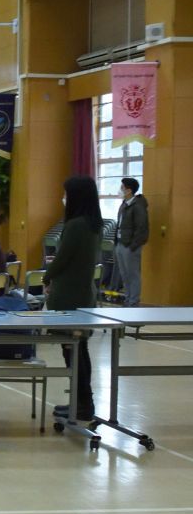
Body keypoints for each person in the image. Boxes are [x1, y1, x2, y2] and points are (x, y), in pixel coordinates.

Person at [47, 176, 104, 423]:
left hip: (68, 296)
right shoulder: (94, 225)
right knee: (80, 350)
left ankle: (81, 405)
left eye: (66, 194)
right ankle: (83, 402)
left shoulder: (75, 225)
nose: (64, 198)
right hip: (84, 294)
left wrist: (46, 275)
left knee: (72, 352)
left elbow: (62, 259)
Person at [114, 176, 149, 307]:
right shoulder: (124, 204)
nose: (120, 190)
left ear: (129, 190)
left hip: (130, 246)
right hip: (120, 243)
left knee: (133, 274)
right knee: (124, 274)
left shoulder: (138, 205)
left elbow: (142, 228)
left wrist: (133, 245)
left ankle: (133, 301)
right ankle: (128, 299)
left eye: (122, 187)